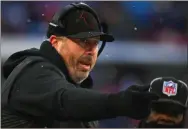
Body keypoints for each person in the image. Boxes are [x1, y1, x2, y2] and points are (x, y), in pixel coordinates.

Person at [1, 2, 158, 128]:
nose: (91, 50)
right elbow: (64, 100)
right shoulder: (33, 71)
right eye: (83, 41)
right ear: (55, 43)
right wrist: (121, 102)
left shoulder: (79, 94)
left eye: (95, 43)